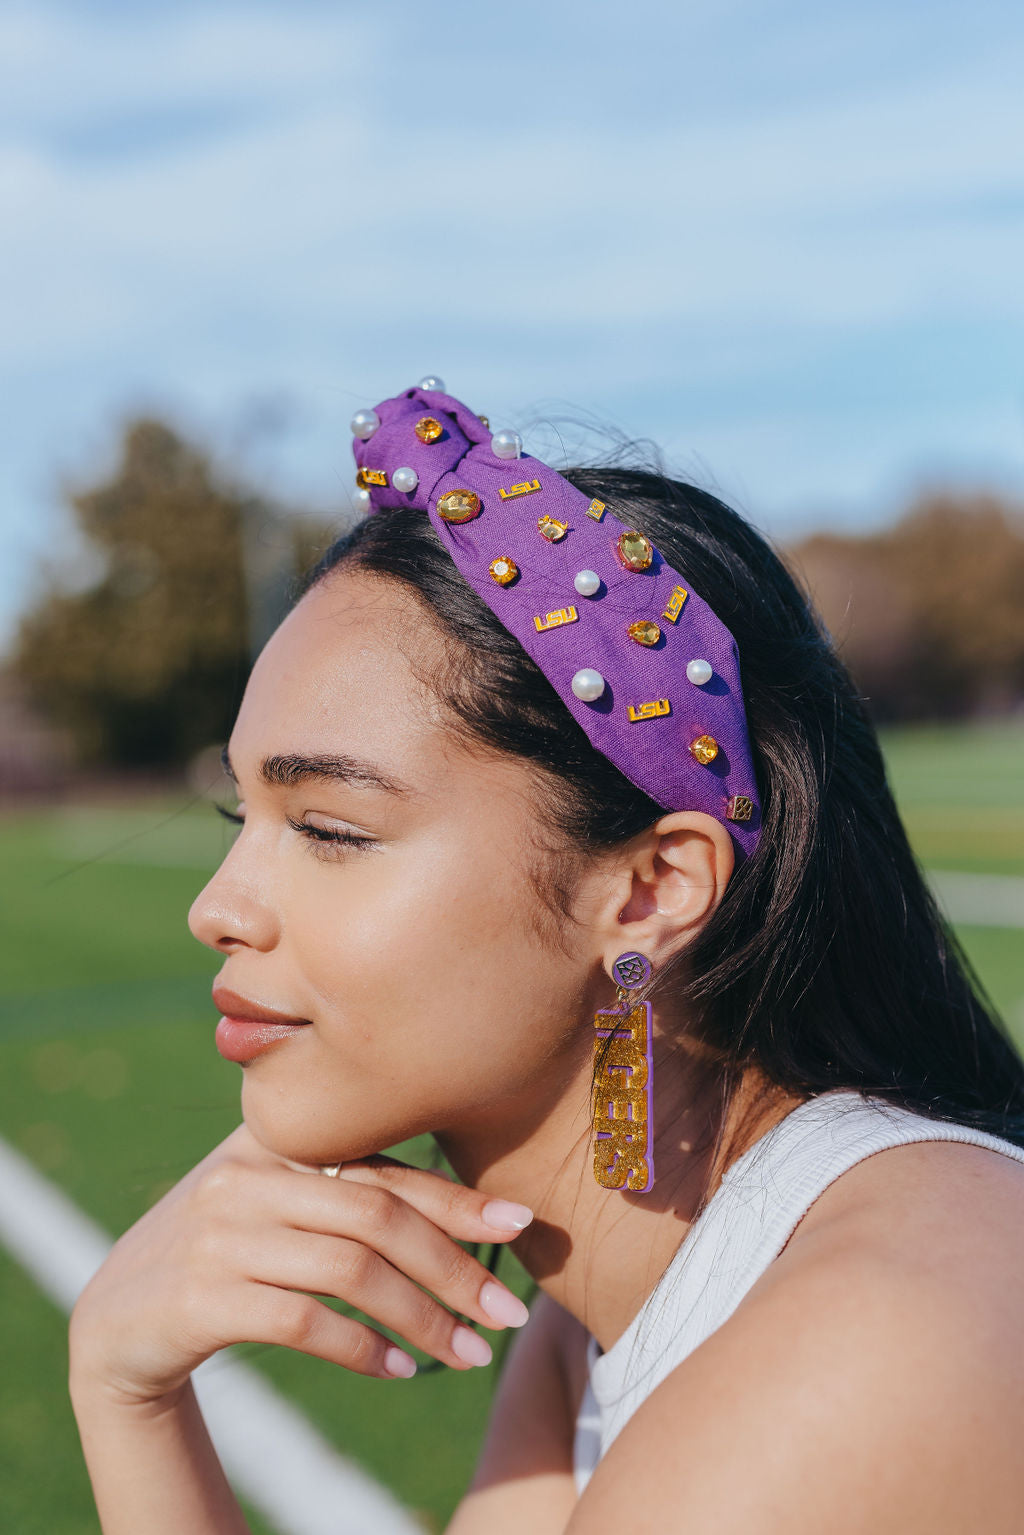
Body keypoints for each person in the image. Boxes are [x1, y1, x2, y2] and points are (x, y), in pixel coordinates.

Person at [69, 381, 1024, 1534]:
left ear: (649, 889)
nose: (216, 909)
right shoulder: (605, 1302)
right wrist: (125, 1385)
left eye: (328, 828)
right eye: (241, 821)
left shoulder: (861, 1347)